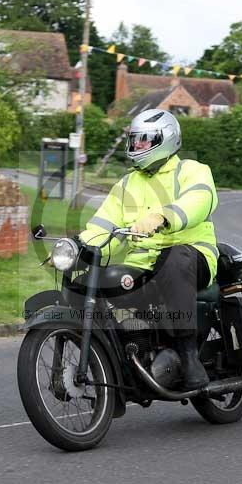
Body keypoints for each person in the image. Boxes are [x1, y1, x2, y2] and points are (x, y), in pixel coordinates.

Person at [79, 109, 219, 390]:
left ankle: (188, 355)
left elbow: (199, 199)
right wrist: (79, 247)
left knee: (174, 258)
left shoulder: (192, 170)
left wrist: (163, 216)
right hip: (143, 264)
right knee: (104, 280)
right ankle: (130, 352)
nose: (137, 146)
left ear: (165, 139)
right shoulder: (126, 184)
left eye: (144, 140)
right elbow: (104, 227)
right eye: (134, 140)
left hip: (192, 255)